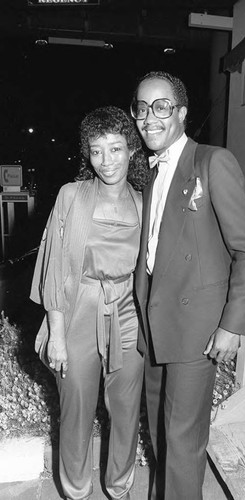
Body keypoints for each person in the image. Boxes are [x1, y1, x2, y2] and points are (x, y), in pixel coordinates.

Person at [130, 71, 245, 500]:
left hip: (196, 330)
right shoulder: (151, 176)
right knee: (159, 432)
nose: (149, 117)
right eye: (141, 107)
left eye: (161, 106)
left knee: (183, 442)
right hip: (156, 326)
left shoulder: (212, 161)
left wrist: (232, 325)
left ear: (182, 113)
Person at [30, 106, 149, 500]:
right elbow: (55, 270)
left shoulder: (147, 202)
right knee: (76, 409)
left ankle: (119, 488)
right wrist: (58, 337)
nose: (106, 160)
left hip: (129, 311)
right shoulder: (71, 196)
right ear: (87, 153)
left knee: (126, 410)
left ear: (132, 150)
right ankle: (76, 491)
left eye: (115, 148)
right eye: (96, 151)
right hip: (78, 307)